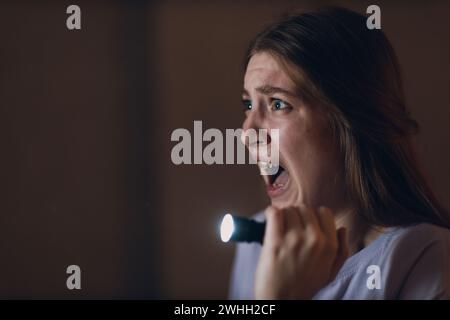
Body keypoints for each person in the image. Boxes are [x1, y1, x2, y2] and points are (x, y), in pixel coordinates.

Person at [229, 7, 450, 300]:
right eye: (248, 105)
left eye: (278, 104)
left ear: (350, 122)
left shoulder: (423, 257)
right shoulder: (257, 241)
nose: (248, 132)